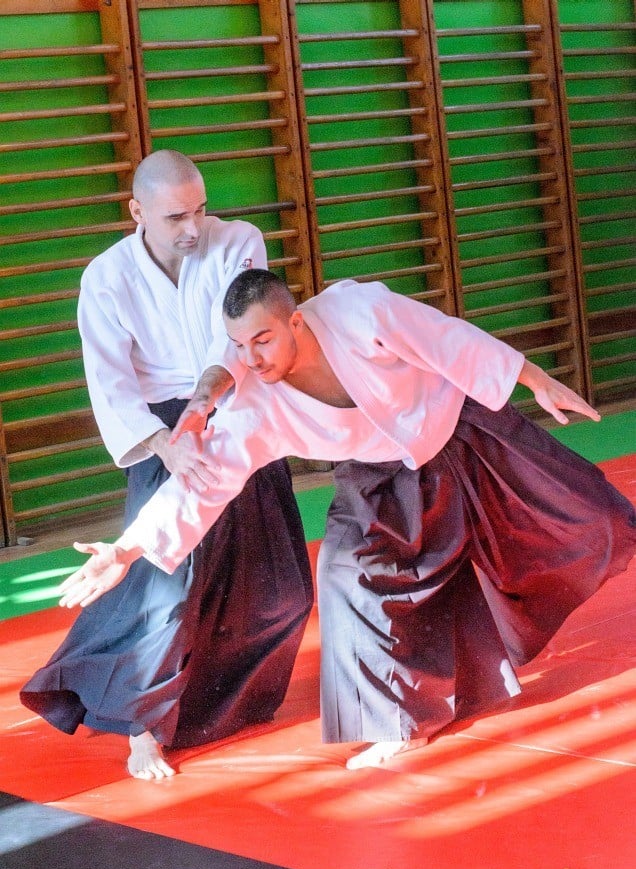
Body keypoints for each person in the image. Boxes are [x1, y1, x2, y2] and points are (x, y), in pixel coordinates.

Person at [55, 269, 636, 770]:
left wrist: (531, 378)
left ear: (296, 323)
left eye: (263, 339)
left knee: (587, 517)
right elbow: (200, 488)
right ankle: (395, 725)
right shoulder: (255, 403)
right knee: (342, 575)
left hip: (458, 431)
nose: (254, 358)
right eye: (240, 346)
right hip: (374, 473)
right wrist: (127, 550)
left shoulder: (361, 312)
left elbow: (449, 342)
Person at [20, 160, 313, 780]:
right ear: (137, 213)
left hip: (234, 405)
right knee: (164, 588)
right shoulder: (106, 278)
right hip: (158, 427)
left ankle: (226, 705)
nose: (191, 227)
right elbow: (109, 380)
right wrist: (164, 442)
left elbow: (232, 343)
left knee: (281, 584)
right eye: (175, 216)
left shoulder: (238, 242)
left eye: (199, 210)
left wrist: (202, 413)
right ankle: (142, 725)